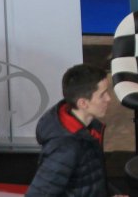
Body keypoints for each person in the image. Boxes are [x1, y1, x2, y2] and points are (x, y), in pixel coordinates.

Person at [26, 64, 114, 197]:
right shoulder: (65, 149)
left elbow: (90, 179)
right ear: (83, 103)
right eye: (102, 95)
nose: (109, 98)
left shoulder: (88, 129)